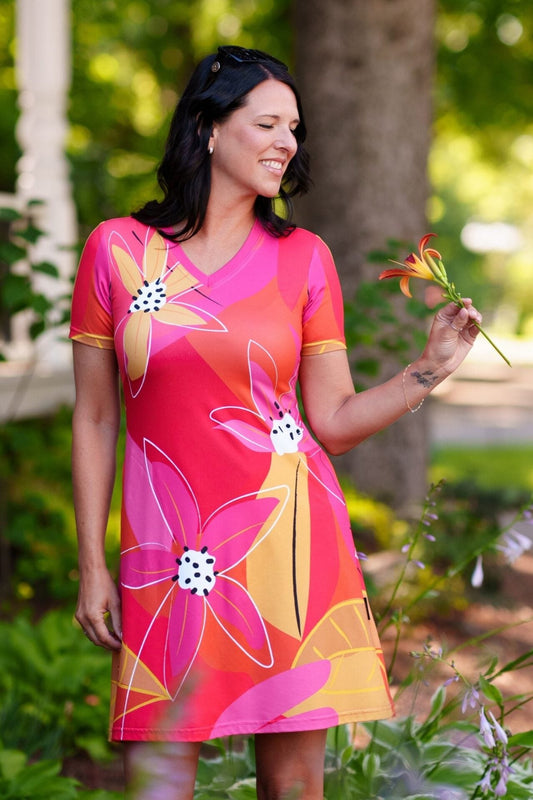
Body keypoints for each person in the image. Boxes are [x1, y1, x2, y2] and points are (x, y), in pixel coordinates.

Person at [70, 45, 482, 800]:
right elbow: (96, 417)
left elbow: (333, 419)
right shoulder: (117, 252)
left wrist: (431, 366)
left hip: (289, 544)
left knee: (293, 787)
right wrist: (93, 564)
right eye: (267, 122)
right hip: (168, 556)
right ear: (207, 128)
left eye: (293, 128)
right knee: (156, 781)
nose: (287, 142)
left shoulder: (304, 258)